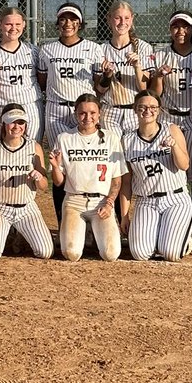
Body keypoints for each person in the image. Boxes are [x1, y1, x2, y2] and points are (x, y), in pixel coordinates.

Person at [38, 3, 105, 224]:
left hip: (84, 111)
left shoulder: (93, 48)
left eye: (73, 19)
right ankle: (62, 219)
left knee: (86, 161)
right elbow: (42, 81)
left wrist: (108, 76)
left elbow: (100, 85)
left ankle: (90, 217)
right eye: (63, 19)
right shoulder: (47, 49)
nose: (68, 23)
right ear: (58, 23)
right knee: (60, 164)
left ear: (79, 23)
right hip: (57, 109)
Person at [148, 11, 192, 248]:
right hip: (169, 119)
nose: (180, 31)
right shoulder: (162, 55)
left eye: (185, 27)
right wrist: (159, 76)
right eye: (176, 27)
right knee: (171, 174)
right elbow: (155, 93)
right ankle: (174, 222)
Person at [49, 92, 126, 262]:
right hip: (74, 201)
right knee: (71, 254)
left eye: (92, 113)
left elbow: (117, 180)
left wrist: (109, 203)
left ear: (99, 114)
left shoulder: (111, 138)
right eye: (82, 113)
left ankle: (93, 231)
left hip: (101, 202)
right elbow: (58, 182)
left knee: (110, 254)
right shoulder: (65, 138)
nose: (87, 117)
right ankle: (82, 232)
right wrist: (55, 167)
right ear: (76, 114)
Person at [120, 91, 192, 262]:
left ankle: (186, 239)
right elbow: (126, 182)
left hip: (175, 198)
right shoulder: (127, 140)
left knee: (170, 253)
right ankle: (160, 234)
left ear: (159, 110)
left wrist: (174, 146)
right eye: (142, 107)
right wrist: (124, 215)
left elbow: (184, 165)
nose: (148, 111)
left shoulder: (171, 130)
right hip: (146, 201)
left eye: (153, 107)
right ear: (135, 109)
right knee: (140, 254)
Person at [0, 103, 53, 261]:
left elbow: (44, 187)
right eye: (12, 122)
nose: (17, 126)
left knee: (45, 252)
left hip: (26, 208)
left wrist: (39, 177)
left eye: (21, 122)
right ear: (3, 123)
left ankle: (20, 234)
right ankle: (1, 232)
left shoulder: (34, 147)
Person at [0, 6, 43, 142]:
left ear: (24, 24)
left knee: (32, 149)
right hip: (4, 107)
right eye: (8, 24)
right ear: (0, 24)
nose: (13, 28)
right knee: (6, 153)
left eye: (18, 24)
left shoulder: (33, 51)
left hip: (30, 106)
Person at [94, 0, 153, 137]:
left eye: (126, 18)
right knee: (114, 155)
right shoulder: (101, 49)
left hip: (135, 110)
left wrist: (137, 66)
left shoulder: (143, 47)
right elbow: (100, 90)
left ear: (132, 19)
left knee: (133, 155)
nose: (122, 22)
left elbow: (144, 88)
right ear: (109, 19)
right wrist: (107, 75)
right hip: (110, 111)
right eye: (117, 18)